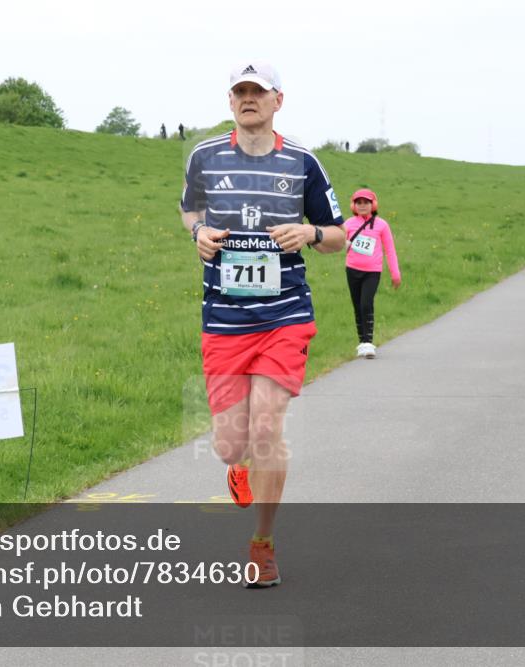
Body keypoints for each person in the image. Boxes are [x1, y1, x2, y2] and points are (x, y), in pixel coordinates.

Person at [180, 61, 346, 588]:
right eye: (240, 92)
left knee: (269, 427)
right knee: (233, 444)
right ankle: (237, 466)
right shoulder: (204, 157)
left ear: (278, 100)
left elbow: (340, 235)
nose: (248, 98)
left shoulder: (303, 163)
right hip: (224, 318)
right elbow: (189, 212)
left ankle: (263, 545)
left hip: (285, 316)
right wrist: (199, 233)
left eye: (258, 91)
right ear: (230, 102)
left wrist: (310, 234)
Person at [343, 189, 401, 358]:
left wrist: (395, 274)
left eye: (366, 202)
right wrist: (343, 244)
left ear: (373, 204)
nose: (362, 206)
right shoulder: (348, 223)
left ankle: (368, 342)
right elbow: (338, 242)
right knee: (357, 306)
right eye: (359, 202)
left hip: (372, 272)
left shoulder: (382, 225)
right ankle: (362, 342)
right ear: (354, 205)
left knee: (366, 304)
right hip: (352, 269)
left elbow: (390, 250)